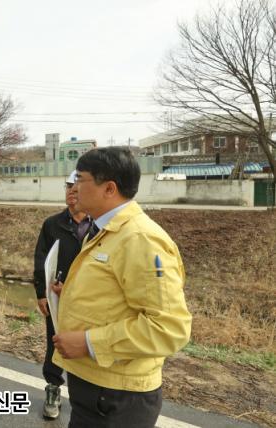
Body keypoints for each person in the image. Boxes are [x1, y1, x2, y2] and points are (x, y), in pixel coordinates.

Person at [52, 147, 192, 428]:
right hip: (96, 386)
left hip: (117, 397)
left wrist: (89, 342)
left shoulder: (141, 239)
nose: (73, 188)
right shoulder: (106, 230)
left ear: (109, 188)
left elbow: (168, 328)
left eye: (80, 179)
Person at [32, 170, 90, 420]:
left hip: (89, 301)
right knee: (55, 343)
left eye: (77, 187)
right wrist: (41, 293)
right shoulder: (52, 224)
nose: (71, 192)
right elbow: (40, 260)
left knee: (85, 344)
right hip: (56, 298)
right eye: (68, 187)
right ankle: (53, 388)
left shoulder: (99, 227)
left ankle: (85, 396)